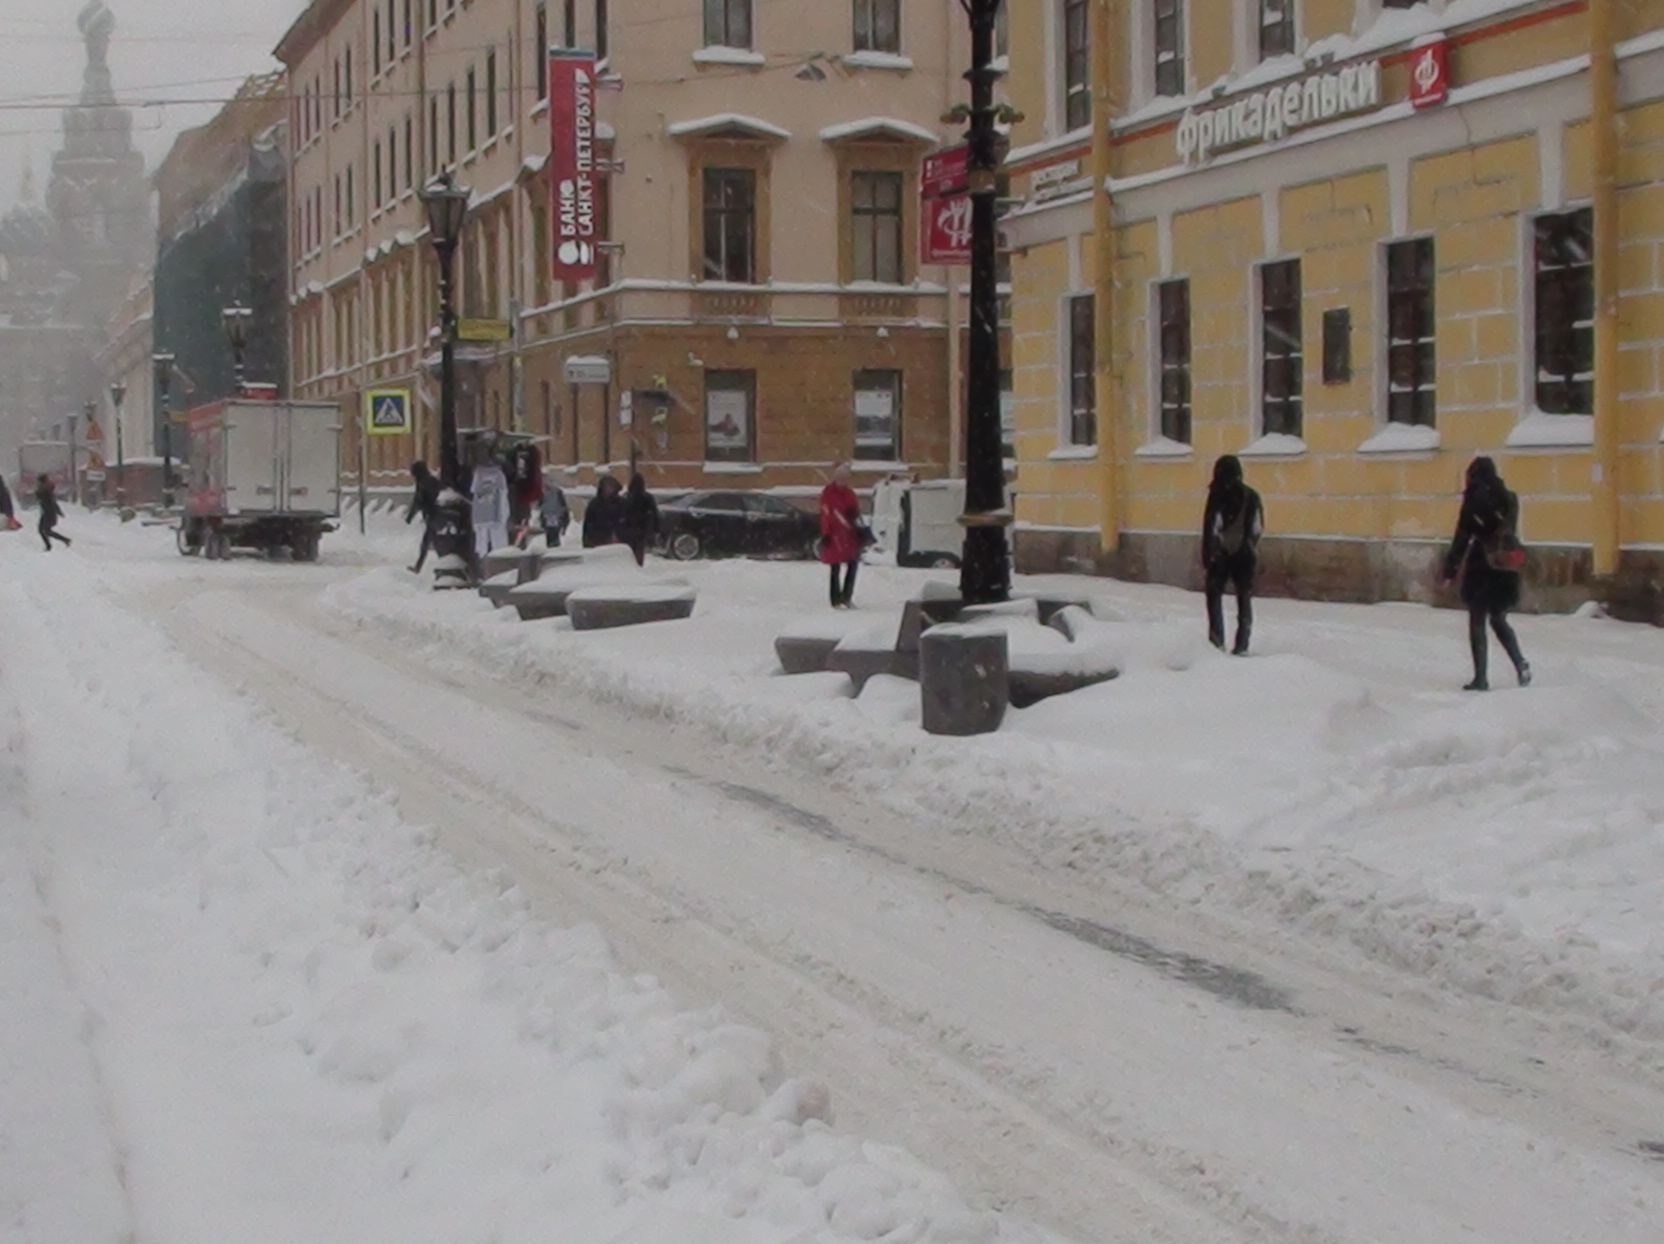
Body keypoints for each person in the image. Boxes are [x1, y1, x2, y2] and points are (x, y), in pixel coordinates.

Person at [1442, 456, 1531, 691]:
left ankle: (1480, 677)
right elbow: (1508, 531)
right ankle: (1520, 663)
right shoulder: (1509, 498)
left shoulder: (1474, 501)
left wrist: (1450, 569)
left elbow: (1462, 537)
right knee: (1498, 617)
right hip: (1504, 564)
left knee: (1477, 621)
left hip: (1481, 566)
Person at [1201, 454, 1263, 654]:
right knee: (1244, 597)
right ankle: (1242, 643)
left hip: (1220, 556)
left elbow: (1211, 528)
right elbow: (1257, 528)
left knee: (1214, 596)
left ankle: (1216, 640)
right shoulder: (1252, 496)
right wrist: (1247, 547)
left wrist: (1209, 555)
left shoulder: (1217, 496)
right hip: (1244, 556)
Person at [818, 463, 865, 609]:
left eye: (845, 478)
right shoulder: (828, 493)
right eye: (841, 477)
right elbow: (826, 515)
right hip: (835, 535)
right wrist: (826, 533)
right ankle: (835, 599)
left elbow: (856, 511)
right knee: (835, 568)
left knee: (852, 565)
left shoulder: (849, 493)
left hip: (850, 535)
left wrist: (855, 516)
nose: (843, 480)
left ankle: (847, 596)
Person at [469, 450, 510, 560]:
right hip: (497, 512)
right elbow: (503, 496)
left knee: (481, 541)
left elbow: (473, 493)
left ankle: (482, 560)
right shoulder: (500, 476)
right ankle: (500, 560)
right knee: (499, 541)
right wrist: (504, 516)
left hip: (480, 515)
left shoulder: (478, 475)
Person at [404, 460, 441, 573]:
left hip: (433, 516)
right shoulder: (430, 480)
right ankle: (420, 566)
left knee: (428, 543)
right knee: (433, 542)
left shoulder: (424, 483)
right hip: (436, 515)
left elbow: (418, 501)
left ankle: (420, 567)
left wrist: (410, 516)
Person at [617, 472, 660, 566]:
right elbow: (654, 514)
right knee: (639, 550)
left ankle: (631, 566)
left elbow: (621, 513)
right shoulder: (648, 498)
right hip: (642, 529)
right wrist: (656, 529)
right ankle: (638, 566)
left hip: (629, 528)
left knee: (629, 551)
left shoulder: (626, 497)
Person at [507, 440, 544, 547]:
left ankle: (517, 542)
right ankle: (520, 542)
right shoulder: (532, 458)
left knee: (518, 520)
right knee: (522, 520)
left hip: (519, 492)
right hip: (524, 493)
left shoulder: (521, 457)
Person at [582, 473, 625, 548]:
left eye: (611, 487)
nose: (609, 489)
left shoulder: (622, 503)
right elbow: (588, 524)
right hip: (598, 541)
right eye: (607, 487)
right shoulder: (595, 504)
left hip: (618, 543)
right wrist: (587, 540)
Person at [35, 474, 71, 551]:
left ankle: (50, 546)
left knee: (43, 530)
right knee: (45, 530)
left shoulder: (46, 491)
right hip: (47, 512)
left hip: (49, 513)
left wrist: (58, 511)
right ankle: (65, 540)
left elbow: (52, 502)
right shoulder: (45, 490)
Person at [542, 479, 571, 547]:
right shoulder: (557, 491)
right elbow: (563, 504)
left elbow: (541, 503)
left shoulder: (545, 491)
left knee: (551, 532)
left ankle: (552, 543)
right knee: (554, 531)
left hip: (549, 514)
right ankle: (554, 543)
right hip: (555, 514)